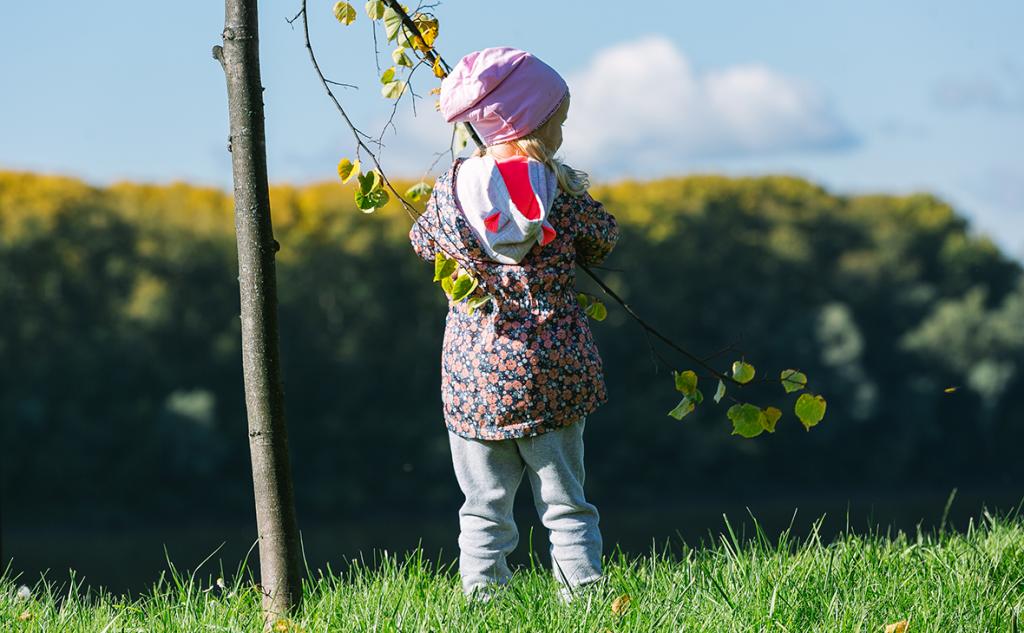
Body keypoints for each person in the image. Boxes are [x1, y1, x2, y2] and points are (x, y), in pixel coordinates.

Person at [408, 46, 619, 601]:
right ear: (533, 124)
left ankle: (483, 605)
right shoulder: (560, 193)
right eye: (558, 122)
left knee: (483, 506)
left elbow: (421, 241)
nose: (562, 133)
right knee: (566, 503)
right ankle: (585, 600)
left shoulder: (450, 190)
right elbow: (604, 238)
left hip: (475, 376)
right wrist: (572, 191)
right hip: (552, 371)